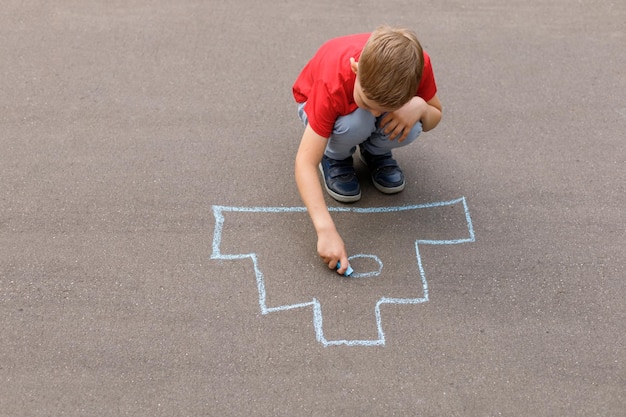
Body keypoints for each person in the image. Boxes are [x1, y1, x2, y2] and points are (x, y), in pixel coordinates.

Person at [292, 25, 442, 275]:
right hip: (315, 102)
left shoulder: (417, 66)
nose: (375, 114)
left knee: (414, 125)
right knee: (358, 121)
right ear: (356, 69)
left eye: (381, 109)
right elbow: (304, 162)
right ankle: (335, 156)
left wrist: (419, 107)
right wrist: (325, 230)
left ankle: (375, 151)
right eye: (367, 101)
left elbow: (435, 114)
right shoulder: (335, 79)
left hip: (356, 99)